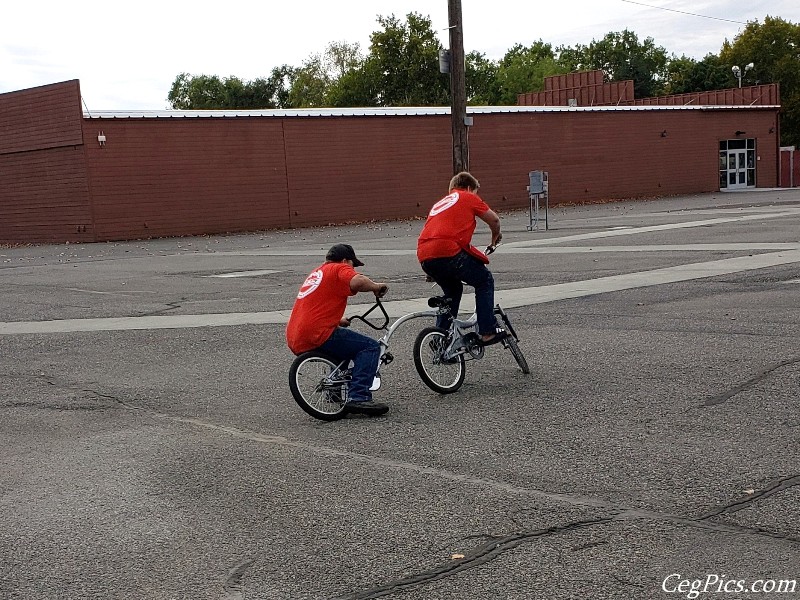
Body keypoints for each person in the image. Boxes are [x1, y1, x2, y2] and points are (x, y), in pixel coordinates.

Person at [286, 244, 390, 416]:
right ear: (344, 260)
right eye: (352, 265)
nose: (353, 268)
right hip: (317, 332)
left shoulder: (317, 273)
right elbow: (357, 281)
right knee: (370, 347)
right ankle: (359, 397)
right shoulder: (339, 267)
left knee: (341, 351)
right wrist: (376, 286)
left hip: (296, 335)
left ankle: (333, 393)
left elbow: (315, 304)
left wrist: (338, 320)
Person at [417, 171, 507, 345]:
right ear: (468, 187)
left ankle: (441, 341)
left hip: (425, 254)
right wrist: (495, 238)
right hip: (448, 251)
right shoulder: (467, 196)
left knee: (452, 292)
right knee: (484, 280)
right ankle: (487, 330)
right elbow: (494, 221)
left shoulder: (440, 203)